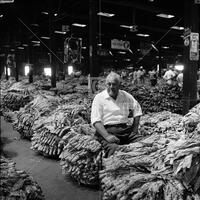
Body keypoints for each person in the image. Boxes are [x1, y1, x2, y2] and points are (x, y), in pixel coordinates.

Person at [91, 72, 143, 157]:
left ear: (119, 85)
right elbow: (96, 120)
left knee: (143, 143)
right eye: (109, 84)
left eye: (114, 84)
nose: (111, 87)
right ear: (106, 85)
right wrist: (107, 136)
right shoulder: (99, 98)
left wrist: (135, 128)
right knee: (114, 150)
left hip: (125, 130)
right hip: (107, 131)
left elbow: (137, 108)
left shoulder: (125, 95)